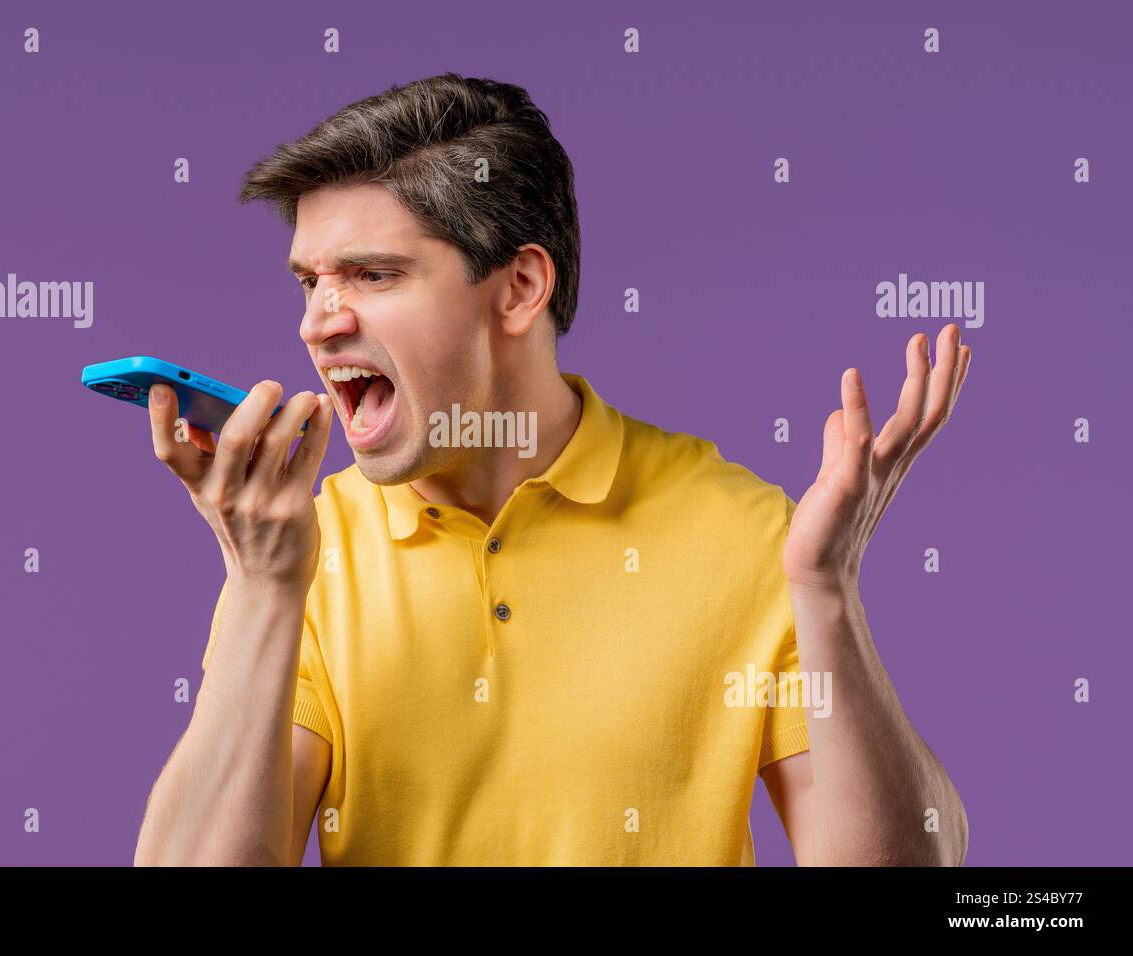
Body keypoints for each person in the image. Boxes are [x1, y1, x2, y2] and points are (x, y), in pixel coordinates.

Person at [133, 72, 971, 866]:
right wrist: (260, 588)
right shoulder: (311, 554)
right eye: (310, 282)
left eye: (372, 275)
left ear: (520, 287)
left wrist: (826, 593)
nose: (319, 323)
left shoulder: (744, 529)